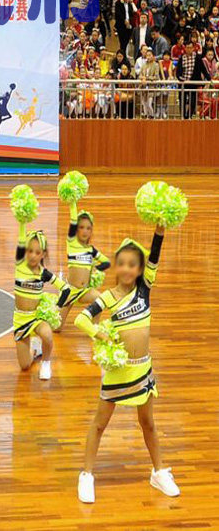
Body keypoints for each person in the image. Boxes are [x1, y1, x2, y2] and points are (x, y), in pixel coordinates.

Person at [75, 226, 180, 503]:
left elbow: (155, 256)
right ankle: (86, 474)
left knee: (148, 424)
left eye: (132, 264)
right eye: (121, 263)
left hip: (143, 370)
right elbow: (81, 319)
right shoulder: (108, 297)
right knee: (100, 424)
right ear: (116, 266)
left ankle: (159, 472)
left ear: (139, 269)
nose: (126, 269)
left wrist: (159, 232)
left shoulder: (144, 290)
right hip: (118, 373)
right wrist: (100, 334)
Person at [13, 221, 70, 380]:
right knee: (24, 365)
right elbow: (21, 238)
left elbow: (66, 289)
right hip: (20, 319)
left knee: (47, 334)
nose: (32, 255)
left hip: (36, 317)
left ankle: (46, 362)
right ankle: (35, 350)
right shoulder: (20, 265)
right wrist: (22, 222)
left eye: (37, 252)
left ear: (43, 254)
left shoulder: (44, 273)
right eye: (29, 251)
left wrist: (56, 308)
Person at [56, 199, 110, 330]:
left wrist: (96, 268)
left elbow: (106, 262)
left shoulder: (91, 250)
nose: (85, 231)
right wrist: (73, 202)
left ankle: (95, 327)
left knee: (99, 299)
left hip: (84, 291)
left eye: (88, 228)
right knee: (56, 328)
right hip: (70, 291)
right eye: (81, 227)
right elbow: (73, 220)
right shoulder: (72, 243)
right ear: (76, 230)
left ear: (91, 231)